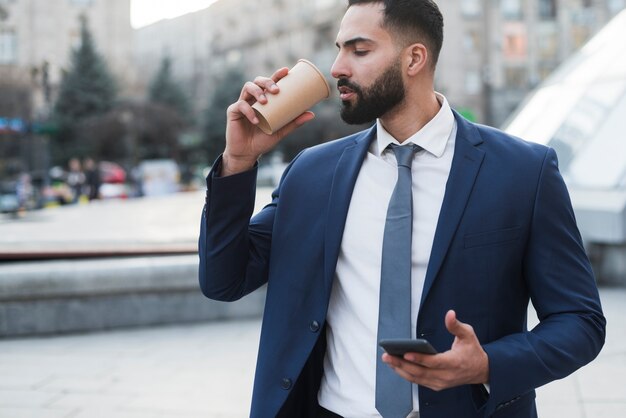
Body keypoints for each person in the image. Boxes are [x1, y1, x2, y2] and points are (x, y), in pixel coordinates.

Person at [198, 1, 606, 417]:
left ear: (414, 58)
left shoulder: (523, 172)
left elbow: (580, 322)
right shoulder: (313, 172)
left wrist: (488, 365)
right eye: (339, 48)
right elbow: (223, 281)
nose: (337, 67)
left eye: (359, 50)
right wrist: (238, 162)